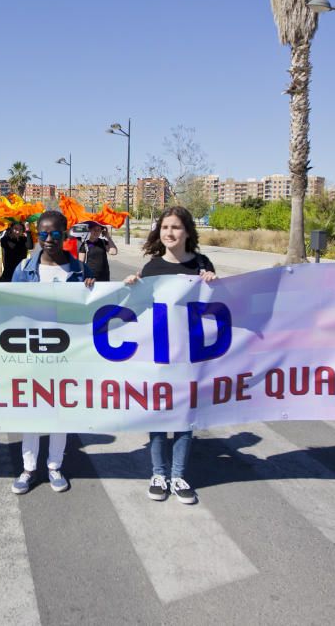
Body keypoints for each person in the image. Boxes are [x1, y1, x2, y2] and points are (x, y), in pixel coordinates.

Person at [124, 206, 216, 505]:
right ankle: (159, 473)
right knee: (159, 417)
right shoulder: (152, 268)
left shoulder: (201, 264)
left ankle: (178, 475)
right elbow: (137, 310)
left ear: (188, 231)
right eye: (165, 228)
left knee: (185, 419)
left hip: (190, 358)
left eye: (176, 227)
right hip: (159, 357)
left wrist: (214, 283)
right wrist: (129, 288)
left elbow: (217, 306)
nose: (170, 233)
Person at [11, 210, 95, 495]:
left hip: (67, 354)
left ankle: (55, 465)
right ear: (37, 234)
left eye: (55, 234)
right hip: (31, 352)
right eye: (43, 234)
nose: (49, 239)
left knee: (61, 411)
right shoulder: (23, 269)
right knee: (31, 411)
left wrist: (91, 290)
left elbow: (96, 307)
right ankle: (28, 467)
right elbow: (8, 307)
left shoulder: (81, 271)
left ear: (65, 233)